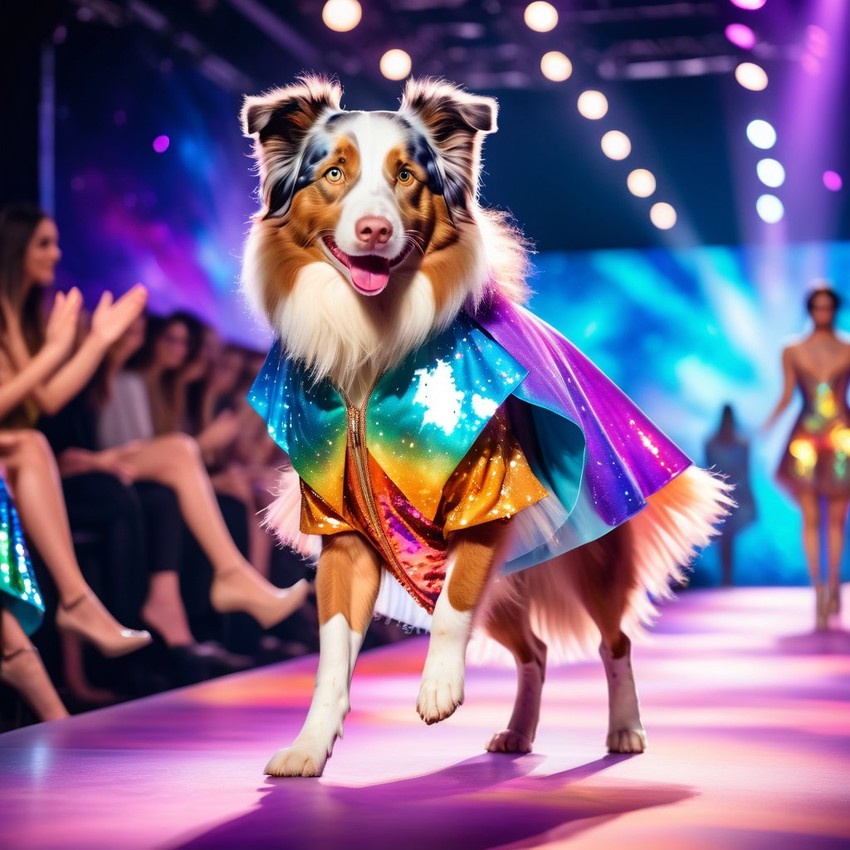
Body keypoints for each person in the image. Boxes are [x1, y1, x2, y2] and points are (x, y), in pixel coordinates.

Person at [0, 203, 152, 666]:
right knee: (31, 443)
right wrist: (56, 352)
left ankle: (77, 604)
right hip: (17, 457)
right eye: (44, 243)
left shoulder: (17, 316)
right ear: (15, 249)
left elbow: (43, 399)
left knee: (32, 443)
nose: (55, 253)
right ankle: (74, 600)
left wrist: (95, 342)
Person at [766, 285, 849, 630]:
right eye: (818, 306)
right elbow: (787, 395)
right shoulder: (792, 350)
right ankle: (819, 588)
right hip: (807, 441)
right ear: (810, 309)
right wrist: (768, 424)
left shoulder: (846, 347)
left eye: (827, 307)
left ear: (835, 309)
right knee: (812, 517)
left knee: (837, 520)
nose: (823, 313)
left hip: (842, 438)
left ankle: (833, 586)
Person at [705, 403, 756, 586]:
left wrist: (750, 499)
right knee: (725, 536)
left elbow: (745, 472)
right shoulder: (712, 443)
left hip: (737, 494)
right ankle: (726, 576)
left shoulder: (741, 444)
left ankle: (728, 576)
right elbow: (711, 470)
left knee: (729, 535)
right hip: (721, 494)